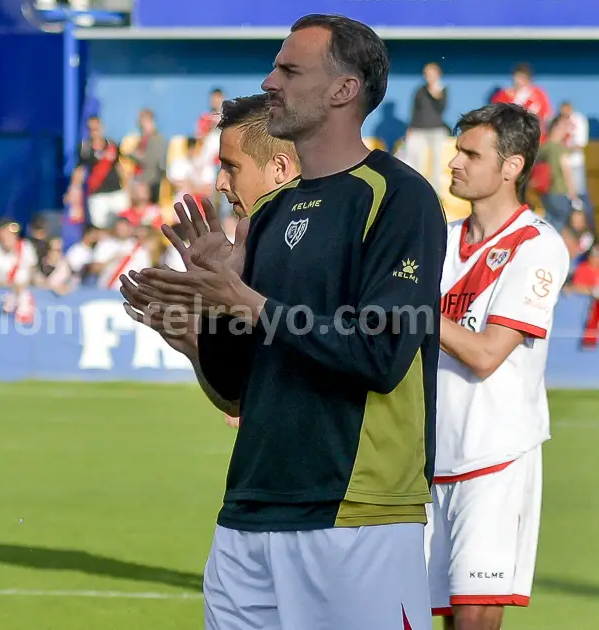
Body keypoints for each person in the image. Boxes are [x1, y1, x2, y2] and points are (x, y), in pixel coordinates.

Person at [123, 14, 446, 630]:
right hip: (248, 509)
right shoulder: (269, 216)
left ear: (343, 90)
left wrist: (245, 300)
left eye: (289, 70)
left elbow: (380, 355)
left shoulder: (400, 198)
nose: (269, 81)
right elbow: (239, 390)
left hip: (356, 514)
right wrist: (202, 325)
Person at [432, 102, 570, 629]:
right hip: (430, 458)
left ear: (511, 166)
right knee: (432, 616)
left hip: (494, 459)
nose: (455, 164)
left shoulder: (537, 246)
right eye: (456, 151)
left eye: (471, 153)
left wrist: (412, 311)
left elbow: (487, 354)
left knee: (473, 620)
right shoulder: (439, 241)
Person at [124, 92, 300, 428]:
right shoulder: (256, 254)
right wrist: (196, 340)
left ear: (279, 167)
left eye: (231, 167)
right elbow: (237, 404)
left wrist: (235, 300)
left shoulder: (330, 242)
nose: (220, 183)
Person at [405, 62, 449, 191]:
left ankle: (436, 192)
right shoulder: (420, 90)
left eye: (432, 73)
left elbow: (441, 107)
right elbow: (415, 110)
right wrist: (411, 128)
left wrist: (434, 91)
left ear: (438, 74)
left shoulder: (442, 89)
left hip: (436, 130)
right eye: (426, 73)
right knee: (417, 160)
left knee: (437, 162)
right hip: (419, 129)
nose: (429, 76)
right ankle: (417, 189)